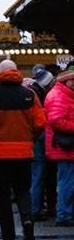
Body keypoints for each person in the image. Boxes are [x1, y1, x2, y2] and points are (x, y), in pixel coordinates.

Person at [0, 58, 46, 240]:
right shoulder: (30, 94)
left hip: (0, 153)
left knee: (3, 196)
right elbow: (41, 122)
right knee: (23, 190)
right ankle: (27, 221)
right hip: (24, 152)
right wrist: (29, 137)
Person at [44, 67, 74, 226]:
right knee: (67, 181)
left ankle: (66, 212)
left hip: (66, 145)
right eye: (73, 80)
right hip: (64, 146)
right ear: (65, 80)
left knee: (67, 181)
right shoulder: (59, 96)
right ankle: (64, 215)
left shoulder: (64, 94)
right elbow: (56, 120)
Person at [30, 65, 57, 220]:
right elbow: (40, 122)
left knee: (38, 177)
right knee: (38, 176)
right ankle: (35, 209)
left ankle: (36, 208)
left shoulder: (33, 92)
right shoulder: (38, 95)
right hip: (40, 141)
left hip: (36, 141)